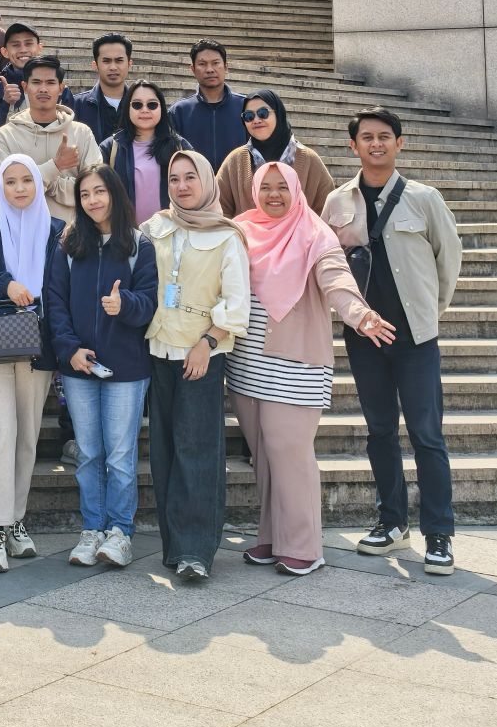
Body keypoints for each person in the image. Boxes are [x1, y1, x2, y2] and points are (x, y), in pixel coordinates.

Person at [231, 161, 396, 576]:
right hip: (247, 362)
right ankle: (272, 537)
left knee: (290, 453)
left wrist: (359, 314)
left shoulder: (314, 232)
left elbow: (335, 276)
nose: (273, 195)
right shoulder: (240, 229)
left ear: (296, 189)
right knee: (264, 457)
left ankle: (304, 546)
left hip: (295, 362)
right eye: (265, 187)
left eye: (281, 187)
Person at [325, 107, 463, 577]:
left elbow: (448, 260)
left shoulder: (425, 199)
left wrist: (428, 313)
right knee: (380, 431)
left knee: (427, 434)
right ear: (353, 145)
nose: (376, 143)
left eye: (385, 136)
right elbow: (329, 264)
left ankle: (439, 534)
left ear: (399, 143)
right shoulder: (337, 202)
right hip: (364, 336)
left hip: (415, 337)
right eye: (367, 137)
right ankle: (392, 522)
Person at [142, 150, 249, 582]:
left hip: (201, 356)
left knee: (198, 451)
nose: (182, 186)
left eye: (191, 177)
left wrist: (208, 342)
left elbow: (236, 303)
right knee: (165, 451)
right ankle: (174, 546)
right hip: (158, 350)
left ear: (207, 181)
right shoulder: (154, 228)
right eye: (174, 178)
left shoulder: (227, 235)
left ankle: (196, 550)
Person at [43, 167, 155, 569]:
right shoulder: (69, 243)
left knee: (120, 455)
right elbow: (54, 300)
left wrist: (125, 305)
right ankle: (92, 529)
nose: (93, 200)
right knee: (89, 453)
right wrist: (69, 349)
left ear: (115, 194)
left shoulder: (139, 244)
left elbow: (150, 302)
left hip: (127, 367)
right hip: (79, 367)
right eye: (85, 194)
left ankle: (120, 531)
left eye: (100, 192)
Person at [0, 156, 61, 573]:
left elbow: (61, 290)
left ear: (39, 184)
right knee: (0, 433)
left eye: (26, 181)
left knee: (27, 436)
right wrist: (4, 283)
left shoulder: (55, 230)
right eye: (10, 182)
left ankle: (15, 520)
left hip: (38, 348)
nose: (19, 189)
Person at [0, 55, 100, 223]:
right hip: (21, 229)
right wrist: (55, 167)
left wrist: (40, 183)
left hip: (72, 231)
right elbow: (4, 190)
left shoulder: (82, 133)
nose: (43, 89)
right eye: (36, 82)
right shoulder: (6, 135)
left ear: (61, 88)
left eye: (50, 83)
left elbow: (94, 189)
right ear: (25, 87)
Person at [217, 89, 334, 218]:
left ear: (278, 114)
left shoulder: (309, 160)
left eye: (263, 113)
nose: (256, 120)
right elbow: (219, 210)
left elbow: (326, 212)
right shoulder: (235, 161)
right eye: (249, 116)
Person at [101, 77, 187, 219]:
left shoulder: (179, 146)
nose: (145, 110)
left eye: (152, 105)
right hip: (125, 231)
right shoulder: (110, 148)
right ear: (127, 108)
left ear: (161, 108)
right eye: (137, 105)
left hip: (170, 229)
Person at [0, 22, 75, 135]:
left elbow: (73, 131)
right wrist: (5, 104)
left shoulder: (60, 91)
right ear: (5, 52)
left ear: (39, 48)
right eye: (16, 45)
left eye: (28, 44)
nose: (23, 50)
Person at [168, 39, 246, 172]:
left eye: (215, 63)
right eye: (202, 64)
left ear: (226, 67)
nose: (210, 70)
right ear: (192, 69)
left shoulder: (245, 107)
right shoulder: (178, 112)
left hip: (238, 182)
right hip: (195, 183)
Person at [70, 33, 133, 144]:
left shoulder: (142, 106)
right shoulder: (76, 105)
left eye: (119, 60)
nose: (113, 67)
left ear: (129, 64)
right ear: (95, 65)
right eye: (106, 61)